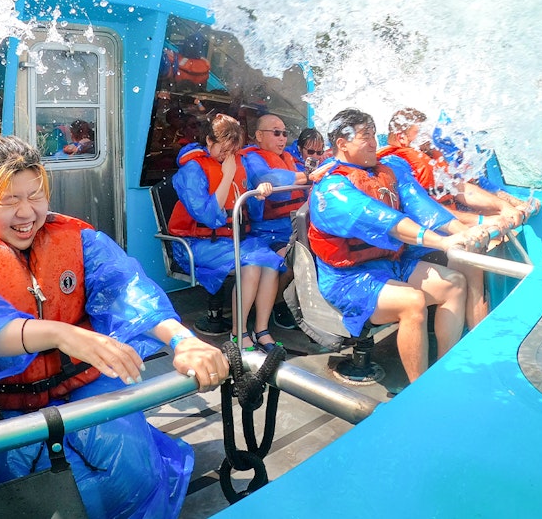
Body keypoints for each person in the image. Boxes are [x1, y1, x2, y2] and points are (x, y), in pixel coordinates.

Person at [0, 127, 228, 519]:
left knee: (132, 476)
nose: (27, 212)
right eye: (9, 200)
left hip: (84, 388)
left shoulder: (79, 241)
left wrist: (184, 341)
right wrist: (60, 333)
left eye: (35, 196)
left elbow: (127, 288)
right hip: (4, 409)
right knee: (59, 499)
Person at [308, 109, 491, 382]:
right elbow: (388, 222)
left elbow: (422, 206)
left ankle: (444, 373)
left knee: (454, 283)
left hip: (390, 263)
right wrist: (441, 241)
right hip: (349, 279)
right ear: (342, 144)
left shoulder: (388, 170)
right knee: (412, 301)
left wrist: (463, 232)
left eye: (373, 134)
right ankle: (422, 390)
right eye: (364, 137)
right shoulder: (331, 190)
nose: (373, 142)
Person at [168, 114, 286, 352]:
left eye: (233, 151)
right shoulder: (192, 170)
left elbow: (252, 212)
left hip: (233, 239)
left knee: (272, 262)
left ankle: (261, 330)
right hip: (197, 243)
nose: (227, 156)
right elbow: (209, 218)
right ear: (209, 141)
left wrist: (257, 193)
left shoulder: (236, 162)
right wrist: (227, 175)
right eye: (223, 149)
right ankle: (238, 332)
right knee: (251, 265)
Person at [378, 107, 528, 230]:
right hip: (426, 244)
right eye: (422, 134)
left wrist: (506, 205)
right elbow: (427, 209)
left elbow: (462, 188)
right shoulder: (394, 165)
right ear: (402, 137)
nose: (429, 139)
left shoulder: (431, 157)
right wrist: (484, 220)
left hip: (452, 229)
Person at [240, 114, 310, 330]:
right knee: (291, 262)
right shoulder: (251, 159)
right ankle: (276, 305)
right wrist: (306, 177)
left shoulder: (289, 158)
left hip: (293, 228)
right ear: (259, 136)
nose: (282, 138)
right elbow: (270, 180)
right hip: (264, 234)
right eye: (276, 133)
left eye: (285, 134)